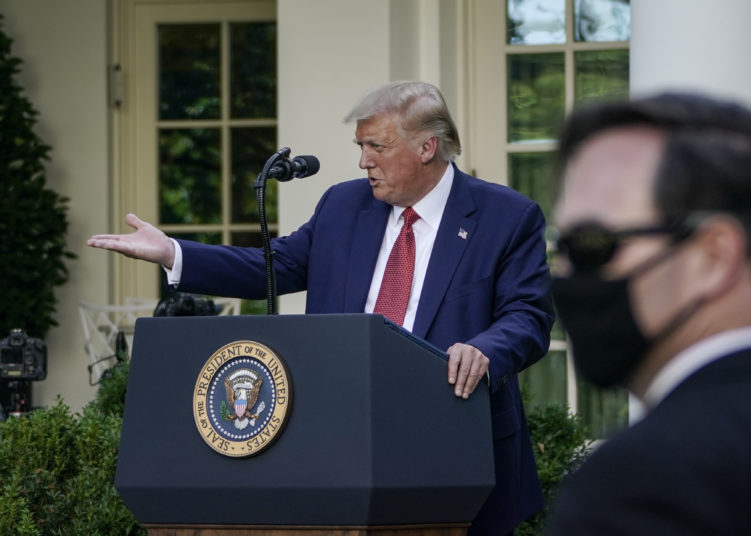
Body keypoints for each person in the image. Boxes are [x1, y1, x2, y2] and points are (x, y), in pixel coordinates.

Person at [88, 80, 555, 535]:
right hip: (339, 436)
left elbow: (528, 316)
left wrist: (483, 349)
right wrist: (173, 253)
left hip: (450, 438)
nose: (363, 161)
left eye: (376, 146)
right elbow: (274, 267)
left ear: (427, 147)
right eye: (360, 145)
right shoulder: (344, 205)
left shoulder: (506, 217)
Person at [546, 92, 751, 535]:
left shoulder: (644, 478)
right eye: (560, 247)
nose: (564, 273)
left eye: (590, 245)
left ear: (713, 256)